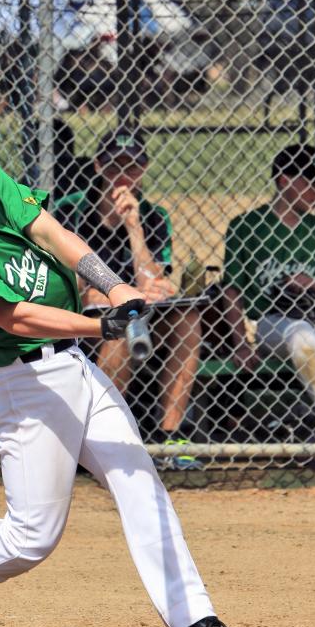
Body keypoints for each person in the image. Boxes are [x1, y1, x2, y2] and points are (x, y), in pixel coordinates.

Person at [0, 96, 251, 627]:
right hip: (20, 382)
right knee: (32, 536)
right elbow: (14, 316)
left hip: (73, 365)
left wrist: (112, 285)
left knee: (138, 480)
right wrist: (98, 324)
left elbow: (48, 229)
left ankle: (194, 621)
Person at [54, 128, 204, 469]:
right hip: (82, 319)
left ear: (145, 169)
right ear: (98, 167)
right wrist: (105, 290)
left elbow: (153, 281)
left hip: (139, 315)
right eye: (114, 167)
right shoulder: (72, 209)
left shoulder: (152, 215)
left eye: (133, 167)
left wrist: (134, 227)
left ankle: (172, 436)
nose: (123, 176)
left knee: (187, 321)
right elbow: (60, 281)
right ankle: (104, 440)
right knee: (118, 326)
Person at [222, 144, 315, 440]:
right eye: (312, 181)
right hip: (274, 324)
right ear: (285, 180)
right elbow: (232, 289)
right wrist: (241, 343)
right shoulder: (247, 226)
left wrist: (311, 285)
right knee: (302, 336)